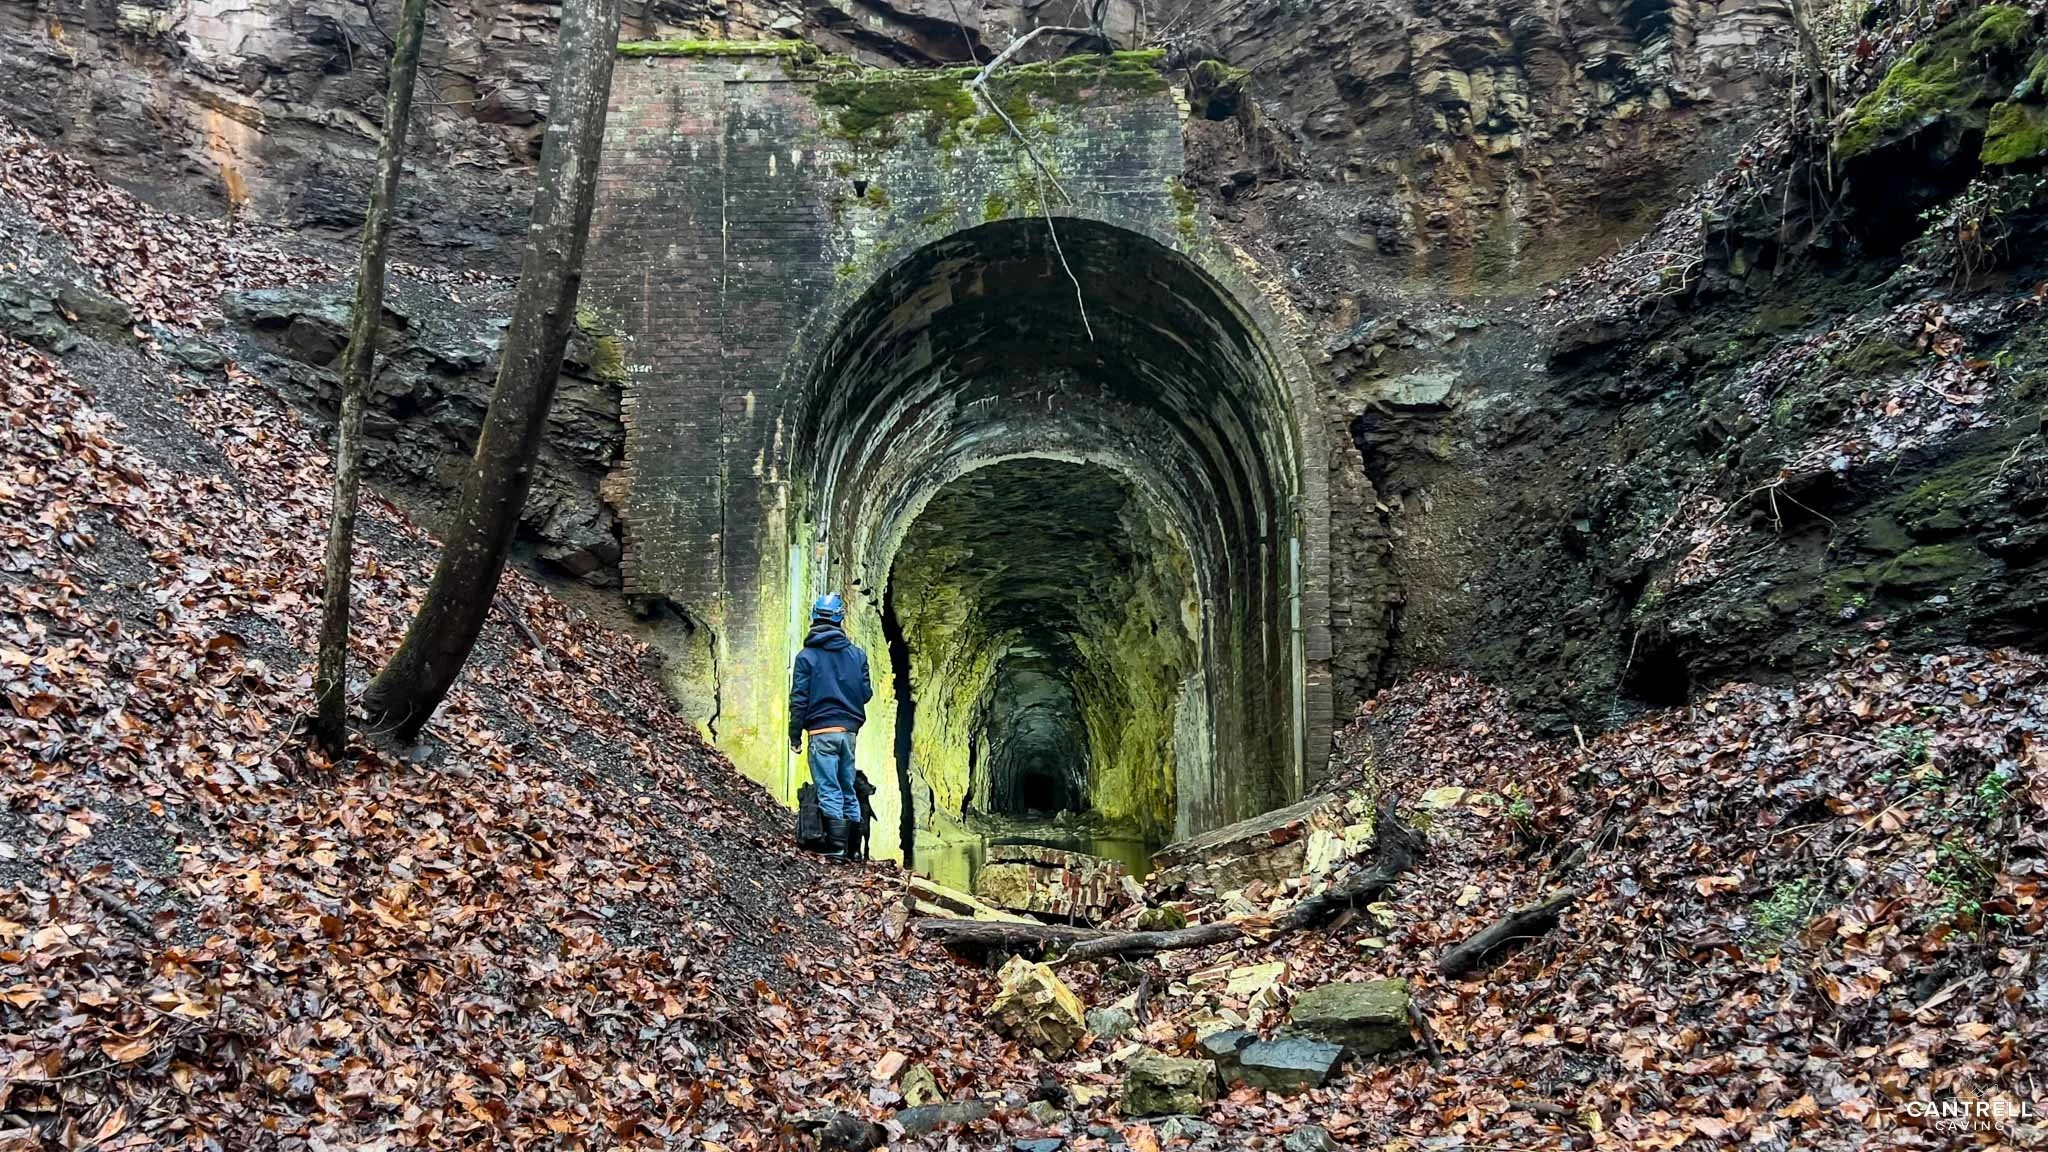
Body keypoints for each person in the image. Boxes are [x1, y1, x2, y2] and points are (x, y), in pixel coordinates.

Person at [789, 593, 872, 862]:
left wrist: (795, 734)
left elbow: (799, 699)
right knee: (847, 786)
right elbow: (866, 692)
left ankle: (836, 849)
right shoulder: (857, 655)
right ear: (840, 619)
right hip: (848, 733)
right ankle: (854, 850)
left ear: (814, 617)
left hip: (821, 732)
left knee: (829, 788)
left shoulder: (806, 657)